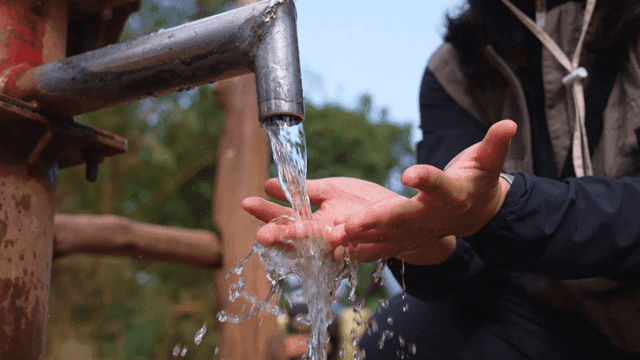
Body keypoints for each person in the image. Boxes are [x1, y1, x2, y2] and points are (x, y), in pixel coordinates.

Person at [242, 0, 640, 358]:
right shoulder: (456, 67)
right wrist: (413, 232)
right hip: (552, 313)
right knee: (400, 335)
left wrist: (506, 206)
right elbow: (471, 279)